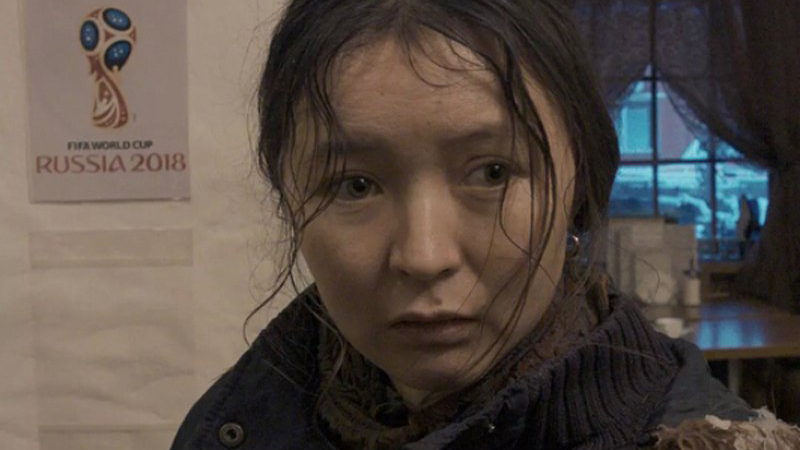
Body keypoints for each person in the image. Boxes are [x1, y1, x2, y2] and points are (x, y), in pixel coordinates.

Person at [171, 1, 800, 449]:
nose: (424, 255)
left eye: (493, 173)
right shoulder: (234, 424)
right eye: (355, 185)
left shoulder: (700, 439)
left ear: (580, 187)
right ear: (289, 198)